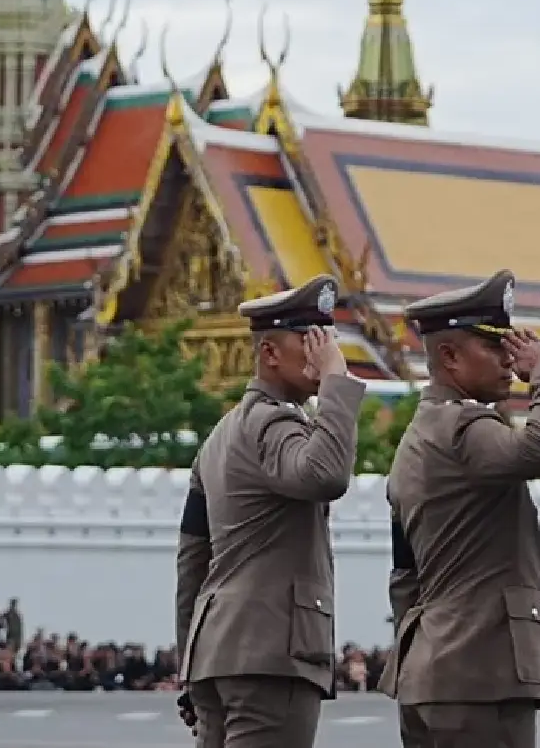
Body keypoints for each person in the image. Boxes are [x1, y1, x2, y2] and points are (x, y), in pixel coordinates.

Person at [381, 269, 540, 748]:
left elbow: (405, 579)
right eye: (493, 348)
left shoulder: (420, 437)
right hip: (479, 673)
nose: (509, 362)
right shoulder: (463, 427)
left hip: (435, 671)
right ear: (449, 356)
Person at [173, 274, 366, 747]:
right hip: (270, 653)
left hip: (219, 653)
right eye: (310, 339)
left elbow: (192, 561)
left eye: (328, 338)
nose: (323, 350)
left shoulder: (220, 435)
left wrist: (189, 661)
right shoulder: (275, 422)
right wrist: (337, 384)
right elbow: (325, 476)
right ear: (270, 354)